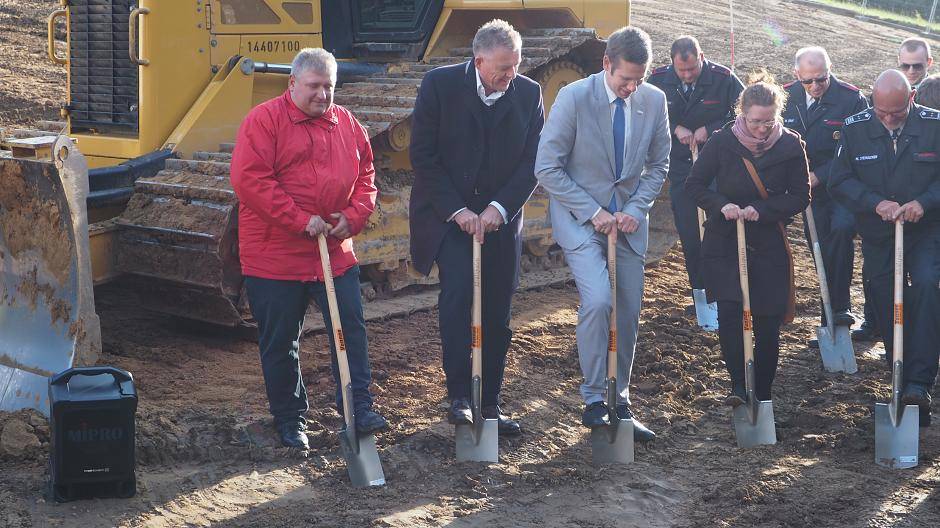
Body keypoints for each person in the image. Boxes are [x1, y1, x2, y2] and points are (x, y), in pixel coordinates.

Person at [230, 48, 388, 450]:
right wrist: (300, 219)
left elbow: (367, 175)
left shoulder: (348, 125)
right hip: (275, 256)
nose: (322, 95)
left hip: (334, 252)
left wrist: (353, 216)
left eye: (329, 87)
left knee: (348, 329)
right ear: (293, 84)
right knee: (282, 342)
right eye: (314, 86)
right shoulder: (264, 121)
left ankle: (359, 406)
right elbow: (251, 181)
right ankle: (290, 419)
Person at [409, 19, 543, 436]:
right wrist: (458, 210)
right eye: (503, 68)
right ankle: (459, 398)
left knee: (498, 311)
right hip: (449, 217)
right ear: (478, 60)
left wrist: (499, 209)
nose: (511, 76)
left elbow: (532, 162)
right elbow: (423, 156)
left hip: (501, 220)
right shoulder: (439, 86)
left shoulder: (529, 93)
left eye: (516, 66)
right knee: (458, 297)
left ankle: (490, 402)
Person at [535, 26, 669, 441]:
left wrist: (634, 207)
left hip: (628, 226)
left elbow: (659, 165)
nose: (631, 87)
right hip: (581, 221)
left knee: (627, 312)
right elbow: (547, 167)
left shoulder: (654, 99)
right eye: (624, 78)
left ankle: (620, 398)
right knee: (598, 301)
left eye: (639, 79)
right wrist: (593, 212)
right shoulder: (574, 98)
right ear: (606, 63)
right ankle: (594, 398)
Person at [686, 72, 810, 404]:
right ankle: (739, 386)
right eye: (755, 121)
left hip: (768, 243)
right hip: (725, 241)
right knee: (731, 314)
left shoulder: (790, 144)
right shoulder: (722, 141)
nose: (761, 129)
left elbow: (800, 196)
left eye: (769, 122)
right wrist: (721, 204)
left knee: (767, 326)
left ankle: (764, 394)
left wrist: (764, 209)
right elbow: (694, 186)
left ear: (778, 115)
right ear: (742, 113)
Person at [829, 69, 940, 425]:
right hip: (879, 232)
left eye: (897, 113)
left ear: (911, 99)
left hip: (925, 230)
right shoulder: (855, 127)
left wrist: (925, 201)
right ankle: (899, 370)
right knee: (885, 297)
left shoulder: (934, 125)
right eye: (882, 113)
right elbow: (839, 180)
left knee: (925, 286)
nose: (889, 120)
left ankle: (920, 383)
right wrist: (875, 202)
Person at [648, 36, 743, 310]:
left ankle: (724, 291)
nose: (688, 75)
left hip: (717, 166)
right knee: (690, 233)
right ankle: (700, 293)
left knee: (718, 229)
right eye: (682, 71)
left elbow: (745, 113)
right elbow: (647, 113)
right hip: (681, 168)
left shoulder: (724, 79)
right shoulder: (658, 80)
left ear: (702, 56)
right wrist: (674, 127)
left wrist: (711, 129)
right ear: (672, 64)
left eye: (692, 69)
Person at [781, 47, 868, 347]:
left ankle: (837, 309)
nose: (816, 87)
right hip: (806, 193)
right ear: (797, 76)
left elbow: (858, 150)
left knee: (841, 231)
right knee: (818, 246)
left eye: (822, 79)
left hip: (842, 187)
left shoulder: (851, 99)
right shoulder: (785, 98)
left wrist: (820, 174)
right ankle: (832, 312)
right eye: (809, 82)